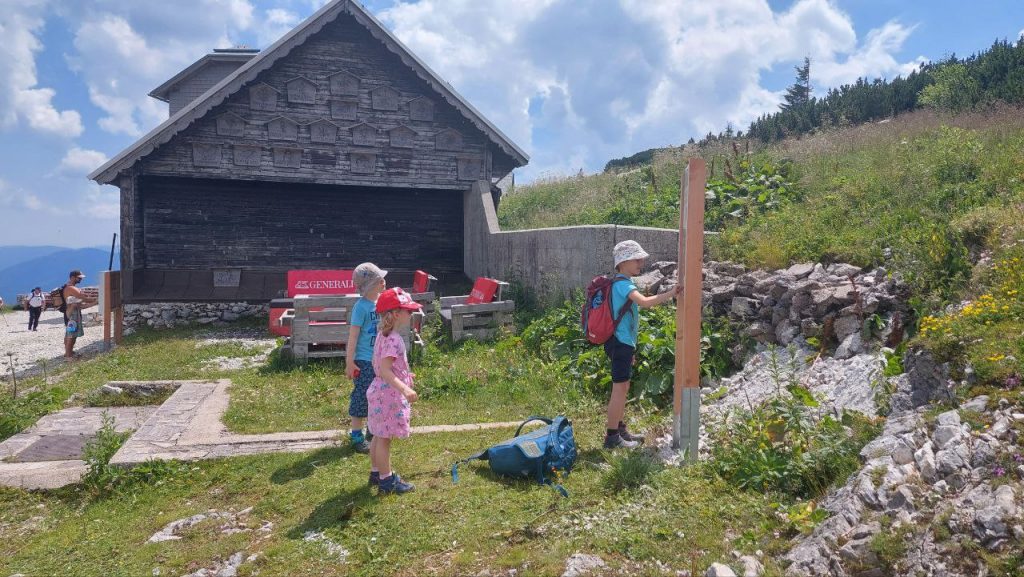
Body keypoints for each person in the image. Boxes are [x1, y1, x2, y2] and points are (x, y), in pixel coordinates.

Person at [603, 240, 682, 450]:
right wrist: (671, 293)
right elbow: (645, 303)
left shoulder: (620, 283)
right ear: (622, 262)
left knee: (624, 386)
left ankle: (620, 430)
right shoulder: (623, 285)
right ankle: (612, 438)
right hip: (620, 343)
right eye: (636, 259)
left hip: (622, 343)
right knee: (619, 389)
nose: (641, 263)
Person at [367, 287, 421, 495]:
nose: (411, 314)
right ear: (396, 314)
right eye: (408, 310)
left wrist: (405, 374)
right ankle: (386, 480)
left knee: (377, 435)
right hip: (388, 395)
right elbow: (385, 370)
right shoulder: (393, 339)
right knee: (385, 439)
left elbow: (387, 367)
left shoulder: (383, 335)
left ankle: (376, 472)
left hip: (378, 391)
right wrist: (405, 388)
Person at [345, 262, 387, 454]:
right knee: (362, 396)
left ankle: (372, 429)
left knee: (377, 395)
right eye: (380, 280)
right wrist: (349, 361)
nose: (384, 282)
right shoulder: (360, 307)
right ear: (370, 285)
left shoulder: (380, 304)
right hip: (363, 361)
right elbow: (353, 336)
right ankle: (356, 435)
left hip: (379, 361)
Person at [62, 270, 96, 360]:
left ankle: (69, 352)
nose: (81, 279)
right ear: (72, 277)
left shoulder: (70, 287)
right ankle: (68, 356)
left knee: (72, 334)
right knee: (71, 335)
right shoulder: (71, 288)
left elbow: (80, 304)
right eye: (79, 278)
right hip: (72, 315)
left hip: (73, 313)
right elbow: (83, 298)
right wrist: (96, 299)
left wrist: (94, 303)